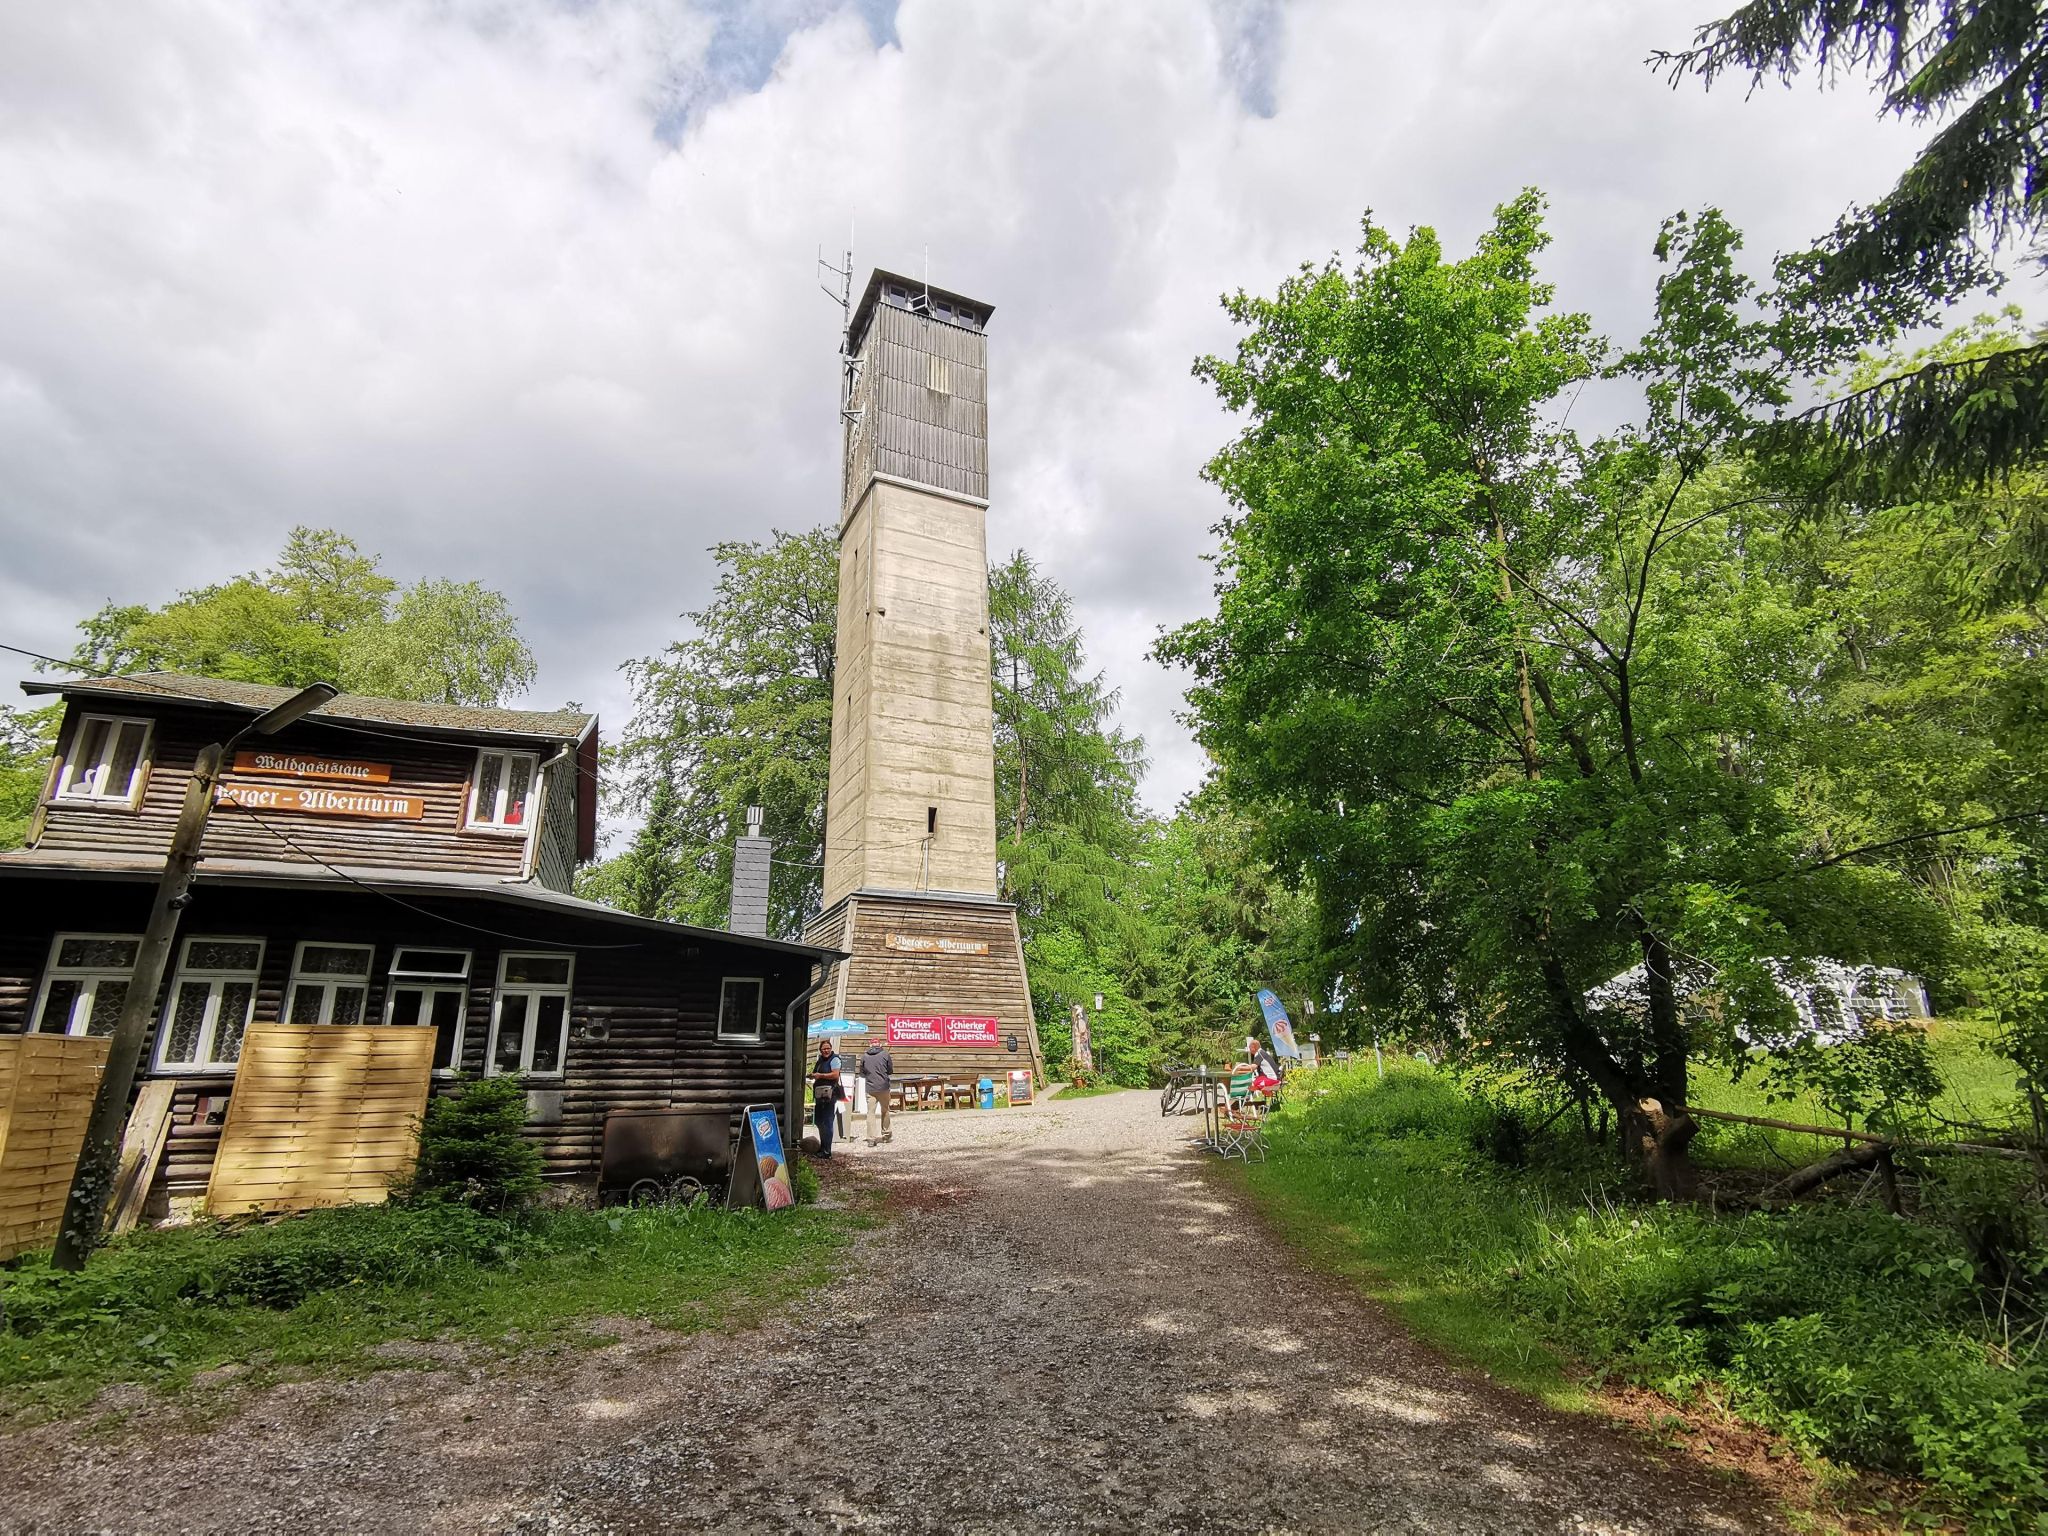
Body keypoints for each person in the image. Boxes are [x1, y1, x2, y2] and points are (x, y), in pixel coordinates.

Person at [811, 1039, 844, 1157]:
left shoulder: (835, 1059)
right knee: (819, 1121)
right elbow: (816, 1072)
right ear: (820, 1050)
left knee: (828, 1121)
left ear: (831, 1049)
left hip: (830, 1094)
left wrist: (821, 1075)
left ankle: (827, 1151)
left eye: (828, 1048)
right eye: (824, 1049)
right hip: (820, 1094)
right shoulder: (820, 1061)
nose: (826, 1051)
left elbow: (835, 1075)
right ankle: (823, 1146)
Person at [858, 1038, 895, 1145]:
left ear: (870, 1045)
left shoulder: (864, 1056)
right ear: (879, 1044)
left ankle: (871, 1138)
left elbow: (861, 1073)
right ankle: (886, 1134)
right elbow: (890, 1071)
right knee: (885, 1111)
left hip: (870, 1088)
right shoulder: (885, 1054)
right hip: (883, 1087)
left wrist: (870, 1076)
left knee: (870, 1113)